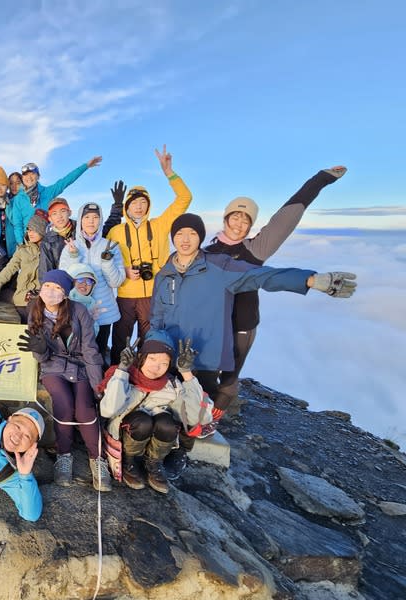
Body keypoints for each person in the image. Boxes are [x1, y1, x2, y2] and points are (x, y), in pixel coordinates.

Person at [150, 213, 357, 474]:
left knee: (198, 406)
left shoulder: (219, 266)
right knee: (168, 402)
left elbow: (262, 276)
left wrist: (310, 280)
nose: (185, 239)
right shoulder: (165, 273)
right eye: (179, 234)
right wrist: (153, 346)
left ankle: (183, 450)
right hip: (170, 352)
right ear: (173, 238)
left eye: (191, 234)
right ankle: (162, 446)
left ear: (200, 238)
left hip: (204, 353)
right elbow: (157, 315)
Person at [199, 166, 347, 432]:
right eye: (235, 217)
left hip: (243, 321)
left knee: (230, 375)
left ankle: (214, 419)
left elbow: (286, 217)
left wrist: (320, 179)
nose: (239, 224)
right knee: (205, 372)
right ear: (225, 219)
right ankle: (197, 414)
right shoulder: (206, 251)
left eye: (245, 220)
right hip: (212, 324)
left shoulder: (255, 248)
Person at [16, 270, 111, 491]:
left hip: (80, 367)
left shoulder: (80, 312)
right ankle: (64, 456)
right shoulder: (35, 311)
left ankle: (98, 459)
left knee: (85, 409)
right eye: (47, 286)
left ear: (66, 294)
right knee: (64, 405)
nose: (51, 292)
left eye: (57, 288)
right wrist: (40, 351)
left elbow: (90, 350)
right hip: (53, 367)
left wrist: (98, 384)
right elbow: (39, 354)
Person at [105, 146, 192, 364]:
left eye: (143, 202)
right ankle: (115, 376)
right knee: (120, 341)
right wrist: (123, 271)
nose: (139, 207)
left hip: (153, 295)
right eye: (134, 202)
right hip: (125, 293)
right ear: (127, 206)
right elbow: (103, 258)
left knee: (149, 340)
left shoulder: (160, 225)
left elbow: (185, 198)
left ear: (149, 205)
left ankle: (146, 377)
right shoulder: (116, 231)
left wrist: (169, 173)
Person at [98, 332, 211, 493]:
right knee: (142, 421)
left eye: (164, 363)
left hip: (152, 442)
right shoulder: (125, 376)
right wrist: (122, 370)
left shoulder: (171, 385)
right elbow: (108, 410)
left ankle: (153, 462)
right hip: (126, 436)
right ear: (142, 357)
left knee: (167, 423)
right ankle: (129, 461)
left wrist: (187, 374)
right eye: (152, 359)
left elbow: (199, 417)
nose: (156, 367)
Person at [58, 203, 126, 358]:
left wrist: (107, 262)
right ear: (80, 220)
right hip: (77, 308)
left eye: (95, 217)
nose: (91, 221)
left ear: (100, 220)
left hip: (103, 310)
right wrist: (74, 256)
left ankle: (98, 381)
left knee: (99, 352)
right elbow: (65, 280)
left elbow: (116, 282)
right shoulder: (71, 246)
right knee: (76, 351)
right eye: (87, 217)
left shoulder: (110, 246)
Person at [11, 156, 103, 248]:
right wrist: (21, 244)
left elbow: (65, 181)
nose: (29, 177)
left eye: (32, 174)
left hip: (47, 241)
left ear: (38, 176)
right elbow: (17, 224)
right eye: (25, 175)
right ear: (22, 178)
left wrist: (85, 166)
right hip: (28, 242)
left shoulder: (48, 192)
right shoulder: (19, 199)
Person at [0, 213, 48, 323]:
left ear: (42, 230)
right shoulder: (22, 250)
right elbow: (8, 271)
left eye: (34, 229)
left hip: (41, 299)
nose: (30, 233)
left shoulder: (49, 250)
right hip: (22, 297)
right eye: (28, 229)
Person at [38, 198, 76, 278]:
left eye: (63, 211)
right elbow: (45, 272)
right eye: (54, 213)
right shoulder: (47, 241)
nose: (59, 216)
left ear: (69, 213)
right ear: (50, 218)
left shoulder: (82, 231)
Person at [65, 264, 102, 331]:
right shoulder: (64, 301)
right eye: (80, 279)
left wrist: (90, 321)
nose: (84, 284)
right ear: (72, 282)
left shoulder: (92, 305)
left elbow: (94, 333)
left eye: (89, 281)